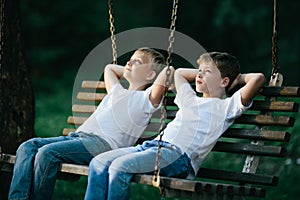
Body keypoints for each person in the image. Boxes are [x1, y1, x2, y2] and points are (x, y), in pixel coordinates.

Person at [83, 52, 266, 200]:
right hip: (151, 147)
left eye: (206, 73)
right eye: (198, 71)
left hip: (178, 157)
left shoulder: (227, 107)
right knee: (98, 162)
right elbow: (176, 73)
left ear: (224, 82)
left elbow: (258, 78)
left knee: (119, 167)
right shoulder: (189, 98)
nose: (199, 75)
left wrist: (237, 78)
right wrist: (206, 72)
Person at [8, 47, 173, 200]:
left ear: (151, 75)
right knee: (27, 147)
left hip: (103, 144)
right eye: (129, 59)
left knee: (47, 153)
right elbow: (109, 68)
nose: (129, 62)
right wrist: (134, 70)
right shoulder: (116, 91)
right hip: (78, 137)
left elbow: (166, 72)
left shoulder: (147, 99)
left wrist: (147, 73)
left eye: (137, 61)